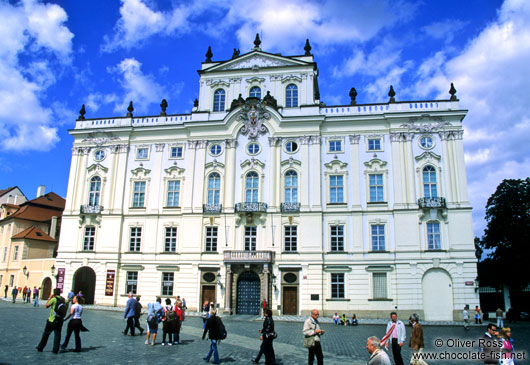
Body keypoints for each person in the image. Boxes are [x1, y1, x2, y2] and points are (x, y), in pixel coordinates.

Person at [36, 288, 66, 353]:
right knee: (57, 335)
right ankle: (55, 350)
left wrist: (49, 298)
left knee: (46, 334)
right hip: (60, 319)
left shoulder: (54, 299)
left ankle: (40, 347)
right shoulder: (63, 300)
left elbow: (46, 305)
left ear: (54, 293)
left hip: (52, 320)